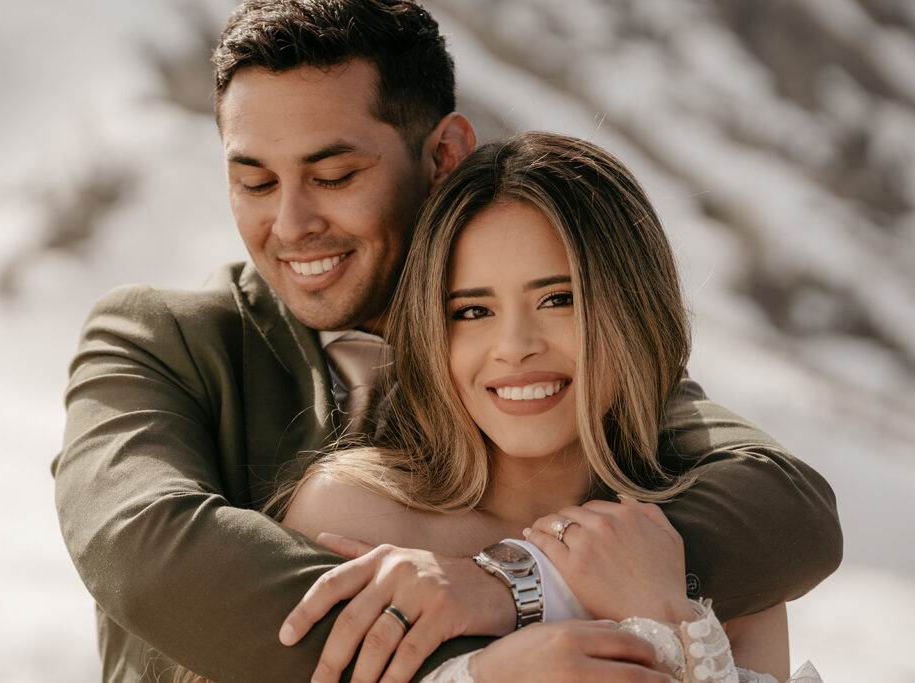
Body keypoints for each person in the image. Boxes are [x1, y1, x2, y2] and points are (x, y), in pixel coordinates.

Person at [51, 1, 841, 681]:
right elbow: (142, 548)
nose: (289, 224)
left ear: (443, 156)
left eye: (332, 175)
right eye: (254, 181)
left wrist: (511, 584)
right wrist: (469, 666)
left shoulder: (559, 366)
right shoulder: (163, 338)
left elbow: (788, 507)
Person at [277, 132, 821, 682]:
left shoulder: (714, 562)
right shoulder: (354, 518)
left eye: (558, 299)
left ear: (633, 310)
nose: (515, 345)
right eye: (471, 311)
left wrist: (666, 618)